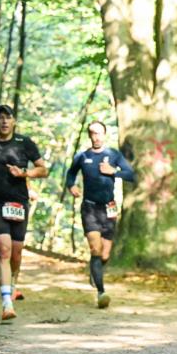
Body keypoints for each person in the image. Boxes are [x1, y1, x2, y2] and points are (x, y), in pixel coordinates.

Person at [0, 105, 47, 321]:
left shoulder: (25, 143)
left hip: (19, 202)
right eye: (0, 118)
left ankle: (12, 284)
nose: (4, 122)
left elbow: (43, 169)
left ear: (14, 121)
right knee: (3, 250)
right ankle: (6, 303)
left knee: (15, 253)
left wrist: (25, 173)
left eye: (8, 118)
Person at [65, 120, 136, 308]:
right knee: (95, 249)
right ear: (90, 135)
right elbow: (70, 174)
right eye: (92, 133)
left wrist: (114, 172)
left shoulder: (113, 155)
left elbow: (131, 174)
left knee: (104, 255)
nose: (96, 136)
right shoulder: (83, 156)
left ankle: (94, 271)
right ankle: (101, 292)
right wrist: (71, 186)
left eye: (99, 133)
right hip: (89, 208)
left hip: (109, 208)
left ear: (104, 134)